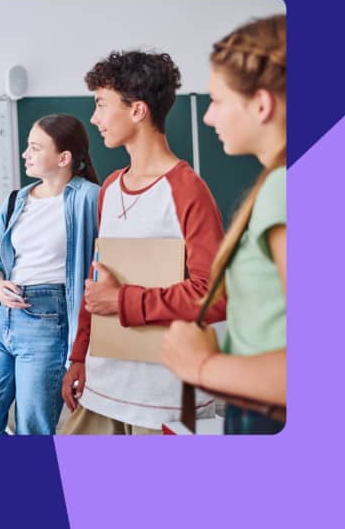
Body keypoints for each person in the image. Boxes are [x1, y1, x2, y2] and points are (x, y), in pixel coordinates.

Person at [60, 50, 226, 435]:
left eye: (101, 105)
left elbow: (215, 296)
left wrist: (123, 301)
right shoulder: (110, 187)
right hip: (103, 385)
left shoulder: (188, 190)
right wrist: (79, 356)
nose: (94, 118)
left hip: (164, 397)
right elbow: (96, 281)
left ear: (137, 111)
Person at [162, 15, 287, 434]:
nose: (208, 118)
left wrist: (200, 364)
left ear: (262, 104)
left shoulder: (283, 188)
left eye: (216, 100)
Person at [0, 114, 100, 435]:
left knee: (33, 429)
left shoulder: (88, 197)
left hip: (48, 322)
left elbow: (106, 263)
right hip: (0, 320)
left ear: (63, 158)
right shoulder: (16, 200)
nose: (26, 154)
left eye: (35, 148)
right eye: (27, 147)